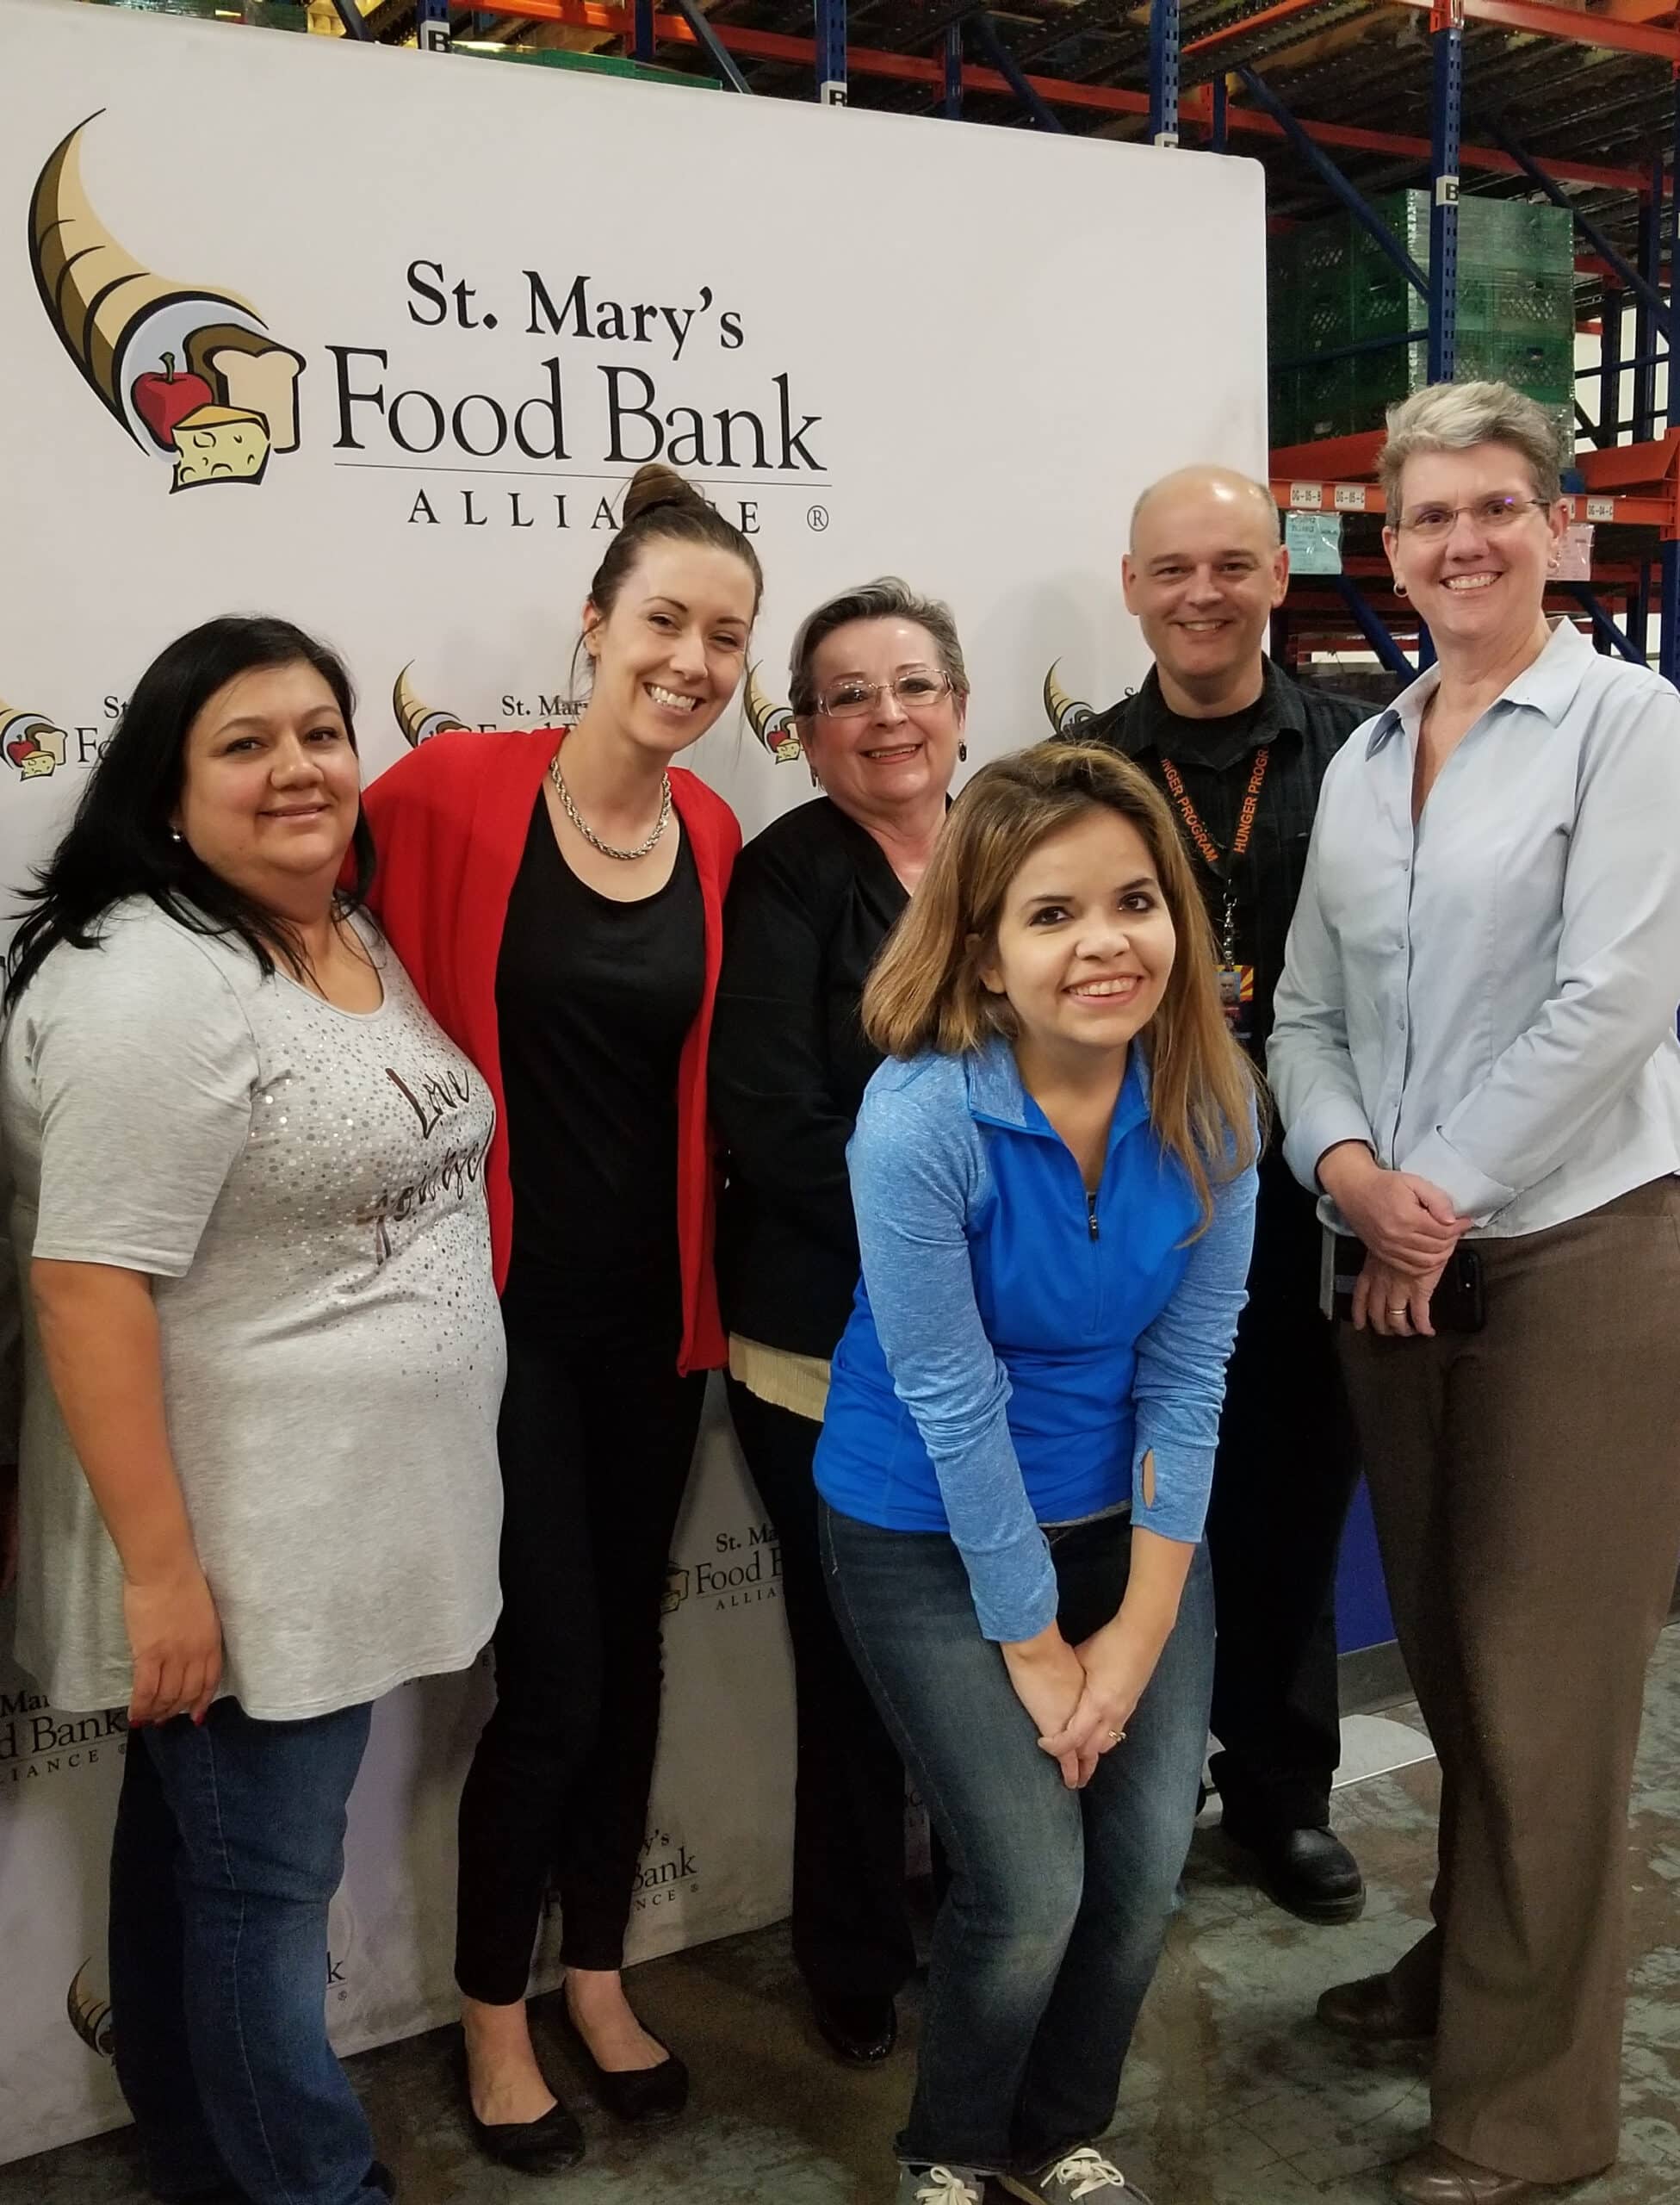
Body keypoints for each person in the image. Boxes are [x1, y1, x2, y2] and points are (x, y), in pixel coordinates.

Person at [0, 616, 505, 2205]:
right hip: (238, 1545)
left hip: (343, 1528)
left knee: (205, 1877)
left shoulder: (331, 930)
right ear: (166, 786)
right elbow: (84, 1284)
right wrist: (165, 1578)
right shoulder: (150, 983)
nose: (298, 766)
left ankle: (211, 2172)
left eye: (320, 730)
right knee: (257, 1903)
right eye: (245, 741)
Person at [1268, 380, 1680, 2205]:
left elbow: (1615, 1000)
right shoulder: (1364, 757)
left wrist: (1433, 1199)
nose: (1460, 543)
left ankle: (1529, 2109)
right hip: (1398, 1255)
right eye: (1427, 515)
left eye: (1496, 508)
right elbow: (1303, 1015)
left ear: (1558, 527)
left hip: (1574, 1251)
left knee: (1546, 1682)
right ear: (1390, 540)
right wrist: (1349, 1173)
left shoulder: (1626, 724)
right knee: (1444, 1649)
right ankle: (1467, 1974)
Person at [362, 463, 753, 2174]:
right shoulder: (449, 791)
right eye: (662, 620)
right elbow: (287, 896)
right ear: (592, 628)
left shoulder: (720, 834)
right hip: (492, 1318)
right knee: (563, 1674)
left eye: (725, 635)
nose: (689, 658)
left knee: (637, 1656)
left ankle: (597, 1969)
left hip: (652, 1325)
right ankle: (493, 2009)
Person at [815, 741, 1259, 2205]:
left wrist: (1130, 1634)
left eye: (1135, 901)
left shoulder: (1215, 1104)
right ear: (987, 953)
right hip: (926, 1529)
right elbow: (950, 1399)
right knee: (1032, 1883)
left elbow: (1192, 1380)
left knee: (1137, 1875)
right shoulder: (921, 1119)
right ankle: (949, 2147)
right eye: (1053, 914)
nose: (1105, 943)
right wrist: (1037, 1646)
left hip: (1117, 1527)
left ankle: (1055, 2131)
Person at [1081, 465, 1367, 1924]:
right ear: (1131, 585)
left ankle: (1280, 1796)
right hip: (1136, 1209)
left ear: (1278, 576)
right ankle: (1124, 1798)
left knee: (1288, 1511)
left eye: (1233, 565)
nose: (1204, 593)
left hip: (1309, 1196)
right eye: (1174, 567)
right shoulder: (1081, 771)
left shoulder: (1361, 749)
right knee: (1123, 1515)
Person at [711, 579, 967, 2068]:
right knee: (860, 1659)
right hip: (829, 1342)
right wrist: (939, 1253)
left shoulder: (1016, 853)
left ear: (960, 702)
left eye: (913, 683)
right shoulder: (789, 876)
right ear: (803, 732)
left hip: (1019, 1346)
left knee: (1006, 1649)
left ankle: (989, 1906)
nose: (888, 716)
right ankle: (855, 1948)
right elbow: (768, 1115)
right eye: (849, 695)